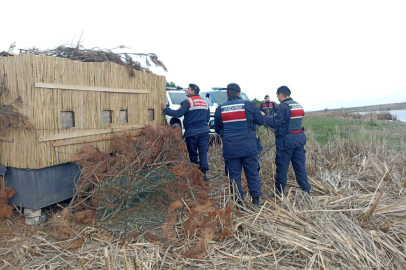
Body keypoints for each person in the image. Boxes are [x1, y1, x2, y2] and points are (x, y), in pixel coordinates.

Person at [214, 83, 264, 207]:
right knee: (252, 173)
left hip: (231, 148)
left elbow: (216, 129)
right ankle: (256, 202)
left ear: (227, 94)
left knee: (234, 176)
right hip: (249, 147)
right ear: (239, 93)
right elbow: (261, 121)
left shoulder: (220, 109)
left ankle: (239, 204)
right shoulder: (249, 105)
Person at [261, 86, 311, 195]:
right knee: (300, 167)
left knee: (282, 168)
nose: (277, 98)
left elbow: (275, 122)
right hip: (299, 140)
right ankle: (306, 190)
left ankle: (279, 193)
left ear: (280, 95)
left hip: (286, 142)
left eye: (277, 96)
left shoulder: (283, 106)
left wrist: (264, 117)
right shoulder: (298, 105)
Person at [161, 84, 210, 181]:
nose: (186, 90)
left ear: (193, 91)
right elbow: (207, 117)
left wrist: (166, 109)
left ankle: (195, 173)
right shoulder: (205, 102)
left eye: (188, 89)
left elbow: (179, 114)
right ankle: (203, 174)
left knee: (193, 153)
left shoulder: (187, 102)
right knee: (203, 152)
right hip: (204, 131)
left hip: (192, 132)